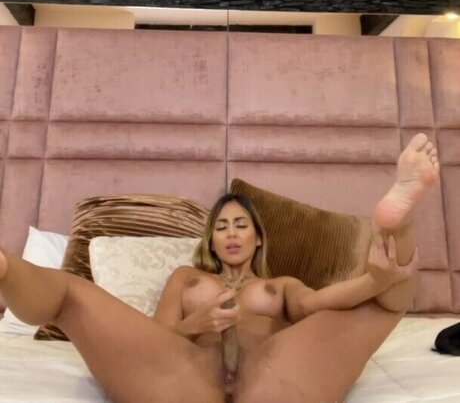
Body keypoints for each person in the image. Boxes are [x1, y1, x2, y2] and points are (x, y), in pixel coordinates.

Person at [0, 133, 439, 403]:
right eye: (221, 226)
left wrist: (372, 281)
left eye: (241, 225)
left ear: (258, 237)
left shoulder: (278, 285)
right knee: (69, 292)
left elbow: (315, 304)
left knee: (385, 302)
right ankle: (4, 267)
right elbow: (154, 339)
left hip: (274, 372)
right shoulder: (186, 278)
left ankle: (397, 222)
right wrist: (196, 323)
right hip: (184, 377)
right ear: (210, 239)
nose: (231, 233)